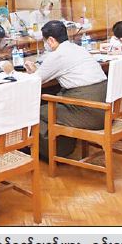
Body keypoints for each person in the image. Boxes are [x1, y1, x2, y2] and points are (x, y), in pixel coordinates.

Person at [23, 21, 107, 160]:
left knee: (35, 111)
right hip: (103, 107)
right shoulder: (78, 48)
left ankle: (55, 152)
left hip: (88, 111)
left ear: (51, 40)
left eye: (45, 41)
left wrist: (28, 72)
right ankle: (60, 147)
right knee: (50, 101)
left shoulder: (58, 55)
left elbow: (35, 81)